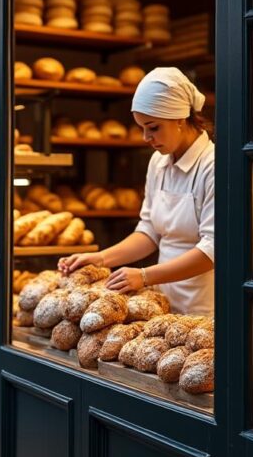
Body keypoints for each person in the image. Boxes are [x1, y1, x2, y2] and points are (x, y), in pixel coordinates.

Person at [59, 67, 215, 314]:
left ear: (179, 118)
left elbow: (212, 250)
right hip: (163, 304)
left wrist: (144, 276)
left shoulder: (213, 165)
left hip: (206, 308)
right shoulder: (159, 162)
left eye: (153, 127)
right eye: (142, 128)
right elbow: (149, 231)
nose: (145, 137)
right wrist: (100, 259)